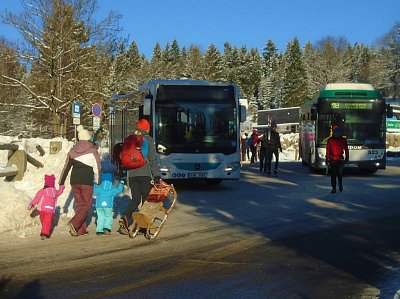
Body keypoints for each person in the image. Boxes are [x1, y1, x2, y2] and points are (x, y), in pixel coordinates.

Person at [119, 118, 160, 235]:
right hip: (145, 175)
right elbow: (152, 160)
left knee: (135, 199)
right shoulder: (149, 140)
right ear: (147, 128)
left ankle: (125, 217)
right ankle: (143, 227)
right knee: (146, 201)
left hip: (131, 174)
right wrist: (156, 175)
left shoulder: (131, 139)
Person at [59, 125, 101, 236]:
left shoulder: (72, 150)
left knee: (80, 205)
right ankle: (74, 223)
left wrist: (61, 181)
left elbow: (66, 167)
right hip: (86, 181)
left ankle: (80, 230)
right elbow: (97, 167)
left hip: (74, 181)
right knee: (86, 205)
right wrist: (98, 180)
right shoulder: (92, 150)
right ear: (88, 138)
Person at [28, 174, 65, 240]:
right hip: (50, 210)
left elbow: (36, 198)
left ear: (45, 183)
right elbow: (60, 191)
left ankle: (44, 234)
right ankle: (46, 231)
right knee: (47, 221)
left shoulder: (42, 191)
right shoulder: (55, 192)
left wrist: (32, 204)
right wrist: (61, 186)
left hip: (42, 209)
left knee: (44, 221)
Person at [326, 126, 349, 193]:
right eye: (336, 132)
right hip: (332, 159)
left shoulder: (343, 140)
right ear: (333, 132)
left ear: (340, 133)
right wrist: (327, 158)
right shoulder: (330, 140)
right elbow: (328, 150)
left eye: (338, 132)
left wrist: (347, 157)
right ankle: (334, 188)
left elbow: (346, 150)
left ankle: (340, 185)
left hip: (340, 159)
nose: (337, 133)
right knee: (333, 175)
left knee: (339, 174)